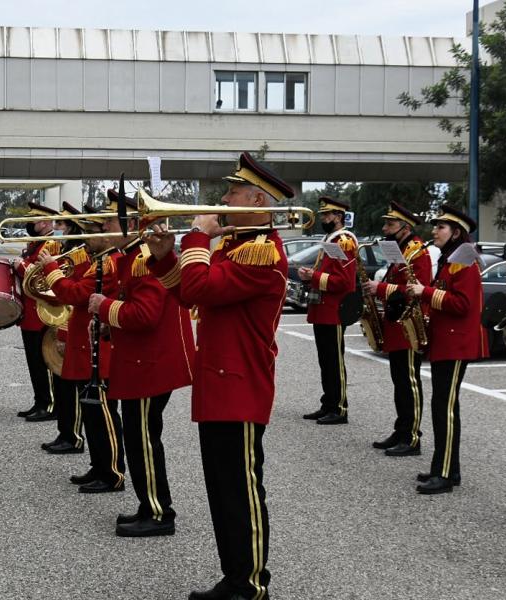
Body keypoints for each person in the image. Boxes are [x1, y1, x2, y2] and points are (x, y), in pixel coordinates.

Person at [145, 151, 291, 600]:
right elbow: (188, 296)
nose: (222, 198)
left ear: (256, 201)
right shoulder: (234, 248)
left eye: (231, 192)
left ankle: (251, 584)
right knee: (222, 492)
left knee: (241, 491)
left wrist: (193, 237)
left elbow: (199, 287)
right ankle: (234, 578)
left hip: (241, 384)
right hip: (220, 381)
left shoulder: (261, 252)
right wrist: (166, 258)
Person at [88, 189, 195, 537]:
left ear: (131, 224)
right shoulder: (134, 255)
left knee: (144, 440)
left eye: (109, 221)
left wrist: (103, 307)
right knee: (139, 439)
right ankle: (149, 504)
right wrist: (110, 322)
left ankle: (159, 512)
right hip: (142, 361)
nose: (103, 228)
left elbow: (146, 316)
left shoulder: (142, 258)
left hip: (149, 365)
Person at [404, 205, 487, 495]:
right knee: (441, 407)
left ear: (456, 232)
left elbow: (462, 304)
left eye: (440, 227)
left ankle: (445, 472)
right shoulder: (451, 259)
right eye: (435, 226)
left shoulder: (464, 261)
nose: (434, 231)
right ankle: (446, 467)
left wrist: (424, 292)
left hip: (456, 343)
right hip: (446, 341)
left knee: (445, 408)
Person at [42, 211, 125, 493]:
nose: (88, 237)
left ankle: (112, 472)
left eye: (96, 230)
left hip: (98, 347)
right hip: (84, 341)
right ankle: (99, 465)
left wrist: (52, 271)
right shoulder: (100, 261)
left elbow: (76, 294)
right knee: (91, 413)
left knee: (103, 414)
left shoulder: (111, 263)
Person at [363, 202, 433, 456]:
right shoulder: (400, 250)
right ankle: (401, 428)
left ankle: (412, 436)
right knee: (399, 382)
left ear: (405, 227)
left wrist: (379, 289)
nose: (385, 228)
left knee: (409, 382)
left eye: (390, 224)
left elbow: (417, 291)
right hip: (396, 324)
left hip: (409, 326)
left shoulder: (417, 253)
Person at [298, 196, 359, 425]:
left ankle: (340, 407)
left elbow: (343, 281)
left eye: (327, 215)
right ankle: (328, 403)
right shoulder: (331, 239)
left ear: (338, 217)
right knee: (326, 361)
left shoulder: (343, 241)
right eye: (323, 214)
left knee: (334, 361)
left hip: (334, 309)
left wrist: (312, 276)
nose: (323, 218)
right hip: (323, 309)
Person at [43, 202, 88, 454]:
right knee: (61, 384)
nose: (56, 228)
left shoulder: (79, 255)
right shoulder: (64, 250)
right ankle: (65, 432)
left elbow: (74, 294)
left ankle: (73, 436)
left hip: (72, 322)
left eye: (60, 224)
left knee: (72, 387)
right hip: (63, 320)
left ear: (72, 227)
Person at [12, 202, 62, 422]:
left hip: (42, 311)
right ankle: (39, 400)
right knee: (34, 361)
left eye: (33, 220)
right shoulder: (37, 243)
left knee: (44, 360)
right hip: (31, 312)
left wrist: (19, 266)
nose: (30, 224)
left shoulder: (51, 244)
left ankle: (50, 404)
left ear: (43, 222)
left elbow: (40, 277)